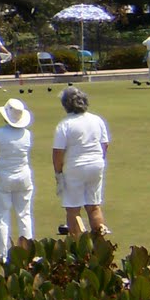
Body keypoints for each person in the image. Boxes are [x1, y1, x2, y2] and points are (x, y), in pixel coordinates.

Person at [53, 86, 110, 239]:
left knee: (73, 209)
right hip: (96, 164)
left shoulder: (64, 124)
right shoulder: (97, 120)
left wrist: (58, 173)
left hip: (75, 167)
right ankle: (100, 247)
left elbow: (58, 152)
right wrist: (99, 161)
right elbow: (104, 145)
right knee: (94, 206)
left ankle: (80, 250)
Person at [0, 98, 35, 262]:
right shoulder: (27, 134)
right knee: (24, 215)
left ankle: (1, 254)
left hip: (4, 178)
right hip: (23, 177)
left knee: (2, 216)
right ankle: (27, 254)